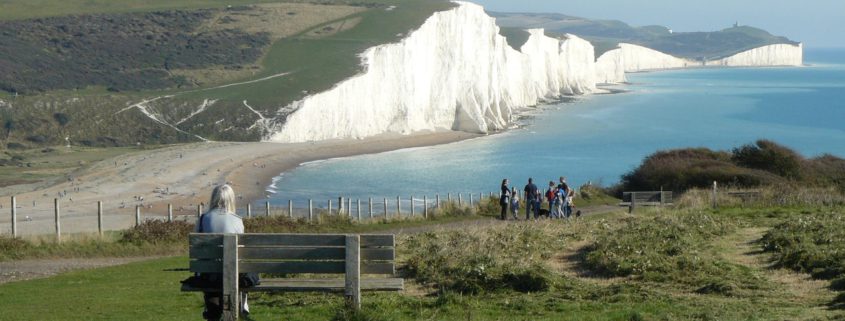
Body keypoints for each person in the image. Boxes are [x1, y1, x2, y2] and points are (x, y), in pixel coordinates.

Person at [194, 184, 255, 320]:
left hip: (207, 275)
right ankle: (241, 304)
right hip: (232, 274)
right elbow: (241, 252)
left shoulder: (203, 219)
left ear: (213, 199)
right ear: (231, 199)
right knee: (242, 272)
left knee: (213, 276)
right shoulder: (238, 220)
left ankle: (212, 307)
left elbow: (197, 250)